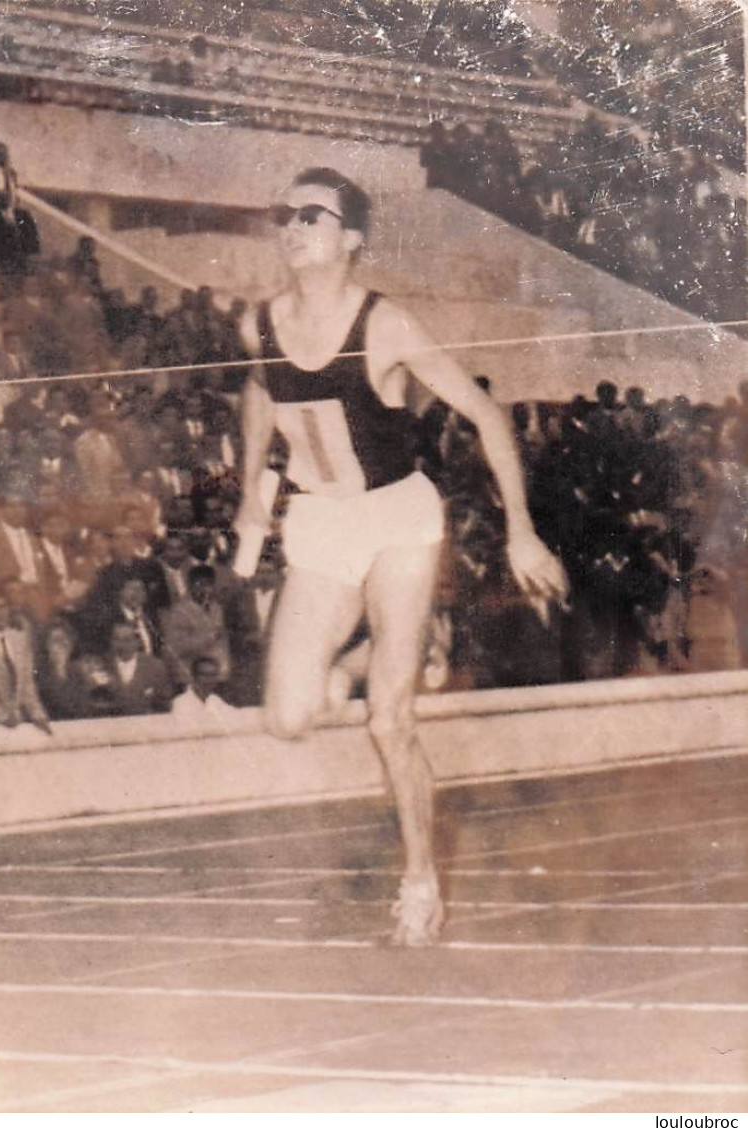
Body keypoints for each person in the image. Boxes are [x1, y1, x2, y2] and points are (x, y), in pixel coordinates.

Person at [234, 168, 568, 946]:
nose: (293, 227)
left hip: (396, 520)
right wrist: (253, 484)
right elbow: (259, 393)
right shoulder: (260, 323)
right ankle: (369, 659)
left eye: (312, 216)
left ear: (351, 239)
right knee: (288, 717)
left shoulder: (385, 324)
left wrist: (519, 528)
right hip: (319, 522)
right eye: (285, 214)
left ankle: (419, 879)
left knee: (390, 720)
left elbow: (486, 414)